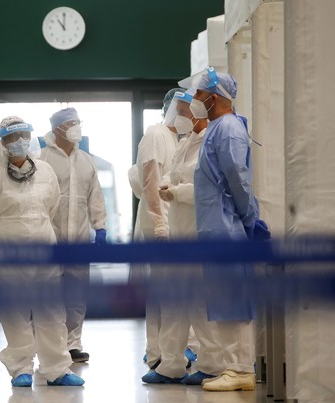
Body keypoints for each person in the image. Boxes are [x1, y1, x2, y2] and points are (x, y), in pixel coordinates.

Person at [0, 116, 85, 387]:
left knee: (52, 312)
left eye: (23, 136)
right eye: (11, 138)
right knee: (14, 312)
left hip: (45, 251)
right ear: (2, 144)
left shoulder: (45, 171)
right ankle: (21, 368)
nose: (19, 142)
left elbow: (52, 205)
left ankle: (57, 369)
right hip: (9, 256)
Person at [179, 66, 270, 392]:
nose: (195, 100)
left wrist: (249, 220)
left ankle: (241, 368)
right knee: (223, 301)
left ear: (215, 97)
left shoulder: (228, 128)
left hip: (228, 227)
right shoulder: (218, 129)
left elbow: (238, 180)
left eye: (199, 94)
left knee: (234, 302)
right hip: (217, 229)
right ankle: (233, 366)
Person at [140, 90, 222, 385]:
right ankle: (170, 364)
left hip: (196, 232)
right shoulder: (184, 142)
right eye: (181, 110)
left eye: (188, 111)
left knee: (198, 301)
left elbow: (208, 188)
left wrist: (175, 192)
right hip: (177, 230)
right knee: (174, 300)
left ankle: (212, 363)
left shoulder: (210, 143)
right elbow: (166, 177)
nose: (183, 116)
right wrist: (167, 188)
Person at [39, 107, 107, 363]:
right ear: (58, 129)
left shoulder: (86, 160)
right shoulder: (42, 159)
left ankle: (73, 343)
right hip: (50, 238)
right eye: (72, 123)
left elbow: (95, 198)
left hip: (79, 238)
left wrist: (100, 226)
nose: (77, 127)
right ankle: (50, 344)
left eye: (78, 122)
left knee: (77, 293)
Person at [129, 88, 181, 371]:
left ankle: (171, 349)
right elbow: (150, 180)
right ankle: (156, 351)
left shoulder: (176, 138)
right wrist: (159, 221)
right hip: (159, 223)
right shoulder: (156, 135)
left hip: (174, 223)